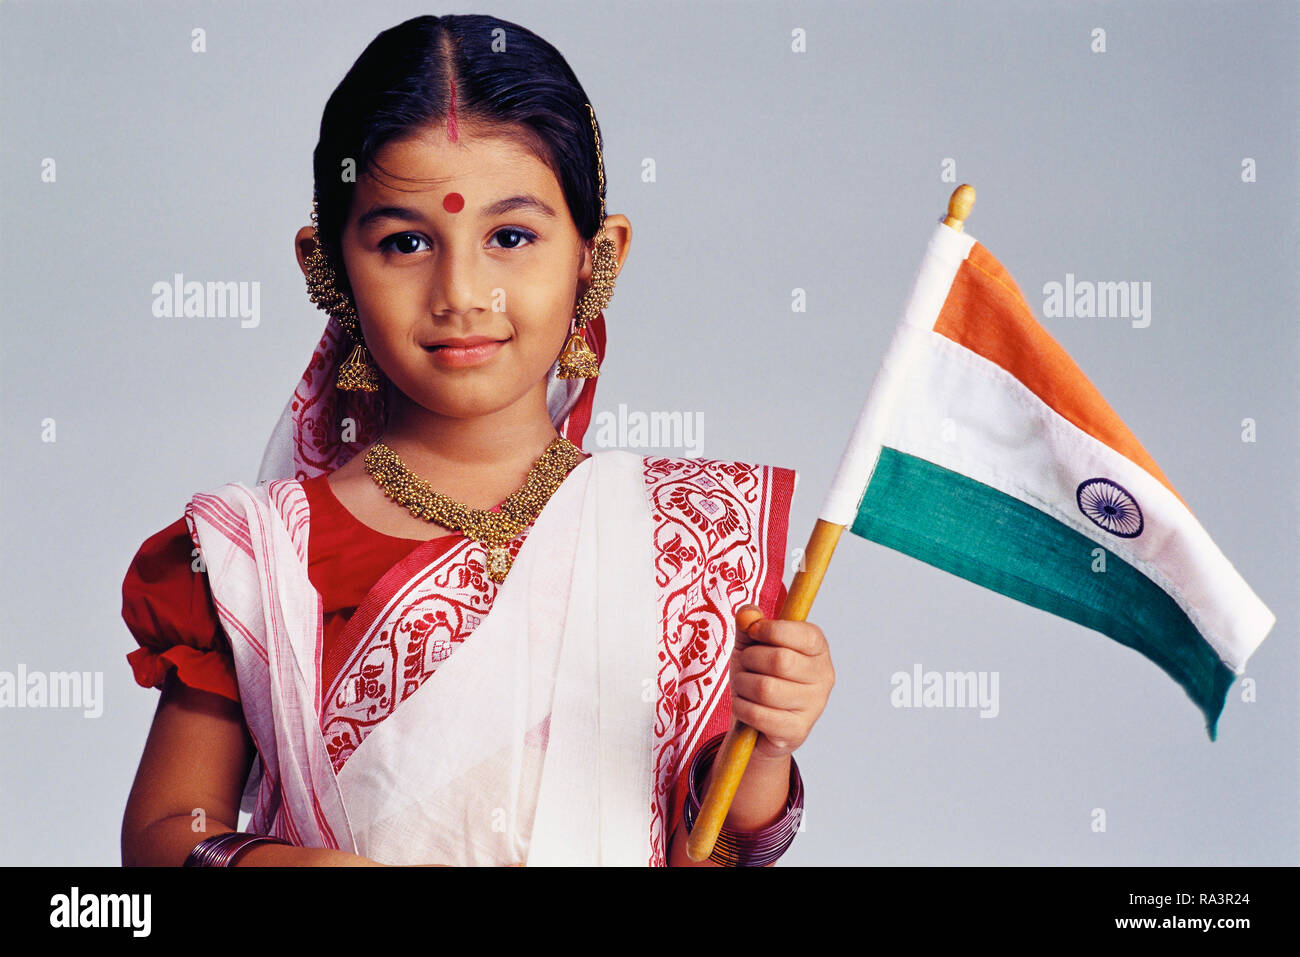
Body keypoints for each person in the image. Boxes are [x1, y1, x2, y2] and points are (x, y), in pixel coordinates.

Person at [120, 12, 834, 867]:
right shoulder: (255, 561)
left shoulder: (683, 539)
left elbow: (713, 855)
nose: (463, 291)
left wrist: (769, 743)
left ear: (595, 255)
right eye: (406, 241)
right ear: (327, 265)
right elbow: (165, 839)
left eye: (510, 237)